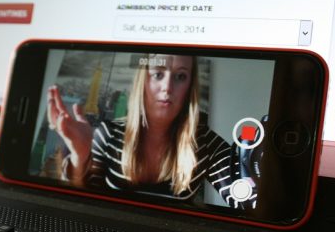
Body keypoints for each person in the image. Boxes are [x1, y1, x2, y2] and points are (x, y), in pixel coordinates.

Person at [47, 54, 257, 208]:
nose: (167, 87)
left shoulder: (204, 141)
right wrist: (80, 156)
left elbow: (246, 198)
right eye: (158, 74)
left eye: (180, 76)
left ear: (189, 87)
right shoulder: (109, 134)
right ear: (143, 82)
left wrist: (257, 169)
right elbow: (81, 206)